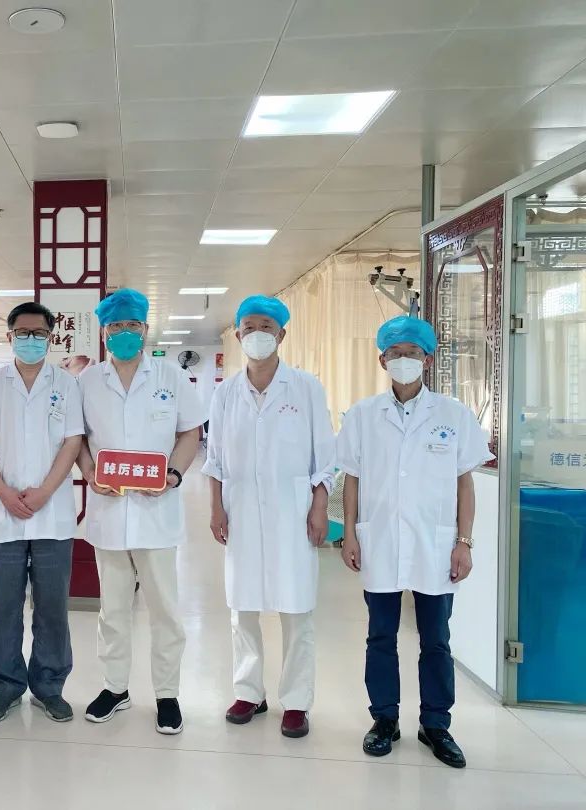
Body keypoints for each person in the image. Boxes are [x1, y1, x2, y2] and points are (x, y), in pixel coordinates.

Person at [337, 315, 493, 769]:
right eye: (395, 353)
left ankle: (436, 725)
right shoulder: (363, 415)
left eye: (412, 353)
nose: (403, 360)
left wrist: (464, 541)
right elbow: (352, 479)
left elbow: (465, 483)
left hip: (435, 545)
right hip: (381, 541)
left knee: (437, 639)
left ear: (427, 359)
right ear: (382, 360)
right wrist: (349, 532)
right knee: (380, 636)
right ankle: (384, 720)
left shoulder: (453, 415)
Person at [202, 295, 335, 739]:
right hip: (240, 510)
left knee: (296, 609)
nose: (257, 334)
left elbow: (324, 459)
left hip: (292, 512)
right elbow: (215, 459)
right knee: (243, 608)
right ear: (238, 334)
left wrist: (319, 507)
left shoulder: (306, 388)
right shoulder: (225, 393)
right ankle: (248, 692)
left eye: (266, 327)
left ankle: (295, 701)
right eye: (249, 327)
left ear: (281, 334)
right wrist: (216, 506)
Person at [77, 288, 203, 735]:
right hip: (109, 512)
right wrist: (89, 472)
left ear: (146, 329)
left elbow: (190, 433)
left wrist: (174, 475)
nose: (125, 333)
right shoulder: (88, 381)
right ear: (104, 333)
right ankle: (115, 688)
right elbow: (78, 440)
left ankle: (167, 693)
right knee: (112, 609)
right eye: (116, 326)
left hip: (157, 512)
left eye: (133, 325)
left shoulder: (171, 376)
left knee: (164, 609)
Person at [0, 302, 84, 723]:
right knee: (3, 605)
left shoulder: (66, 384)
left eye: (39, 334)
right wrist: (3, 492)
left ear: (51, 338)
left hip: (52, 513)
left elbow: (72, 442)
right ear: (10, 337)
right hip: (5, 514)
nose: (31, 340)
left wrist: (44, 492)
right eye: (23, 333)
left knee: (52, 605)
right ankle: (5, 685)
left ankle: (49, 685)